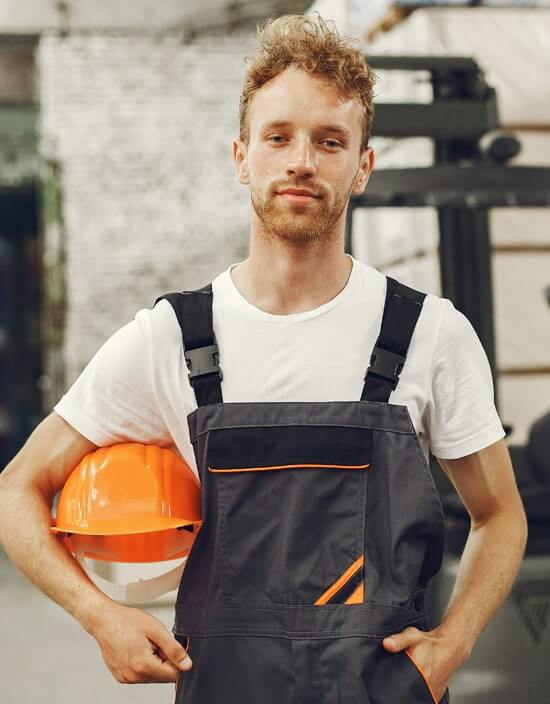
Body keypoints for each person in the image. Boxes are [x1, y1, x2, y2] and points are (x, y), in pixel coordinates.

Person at [0, 12, 527, 703]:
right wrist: (99, 615)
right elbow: (16, 490)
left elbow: (500, 515)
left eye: (330, 141)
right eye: (278, 136)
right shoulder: (172, 339)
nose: (301, 160)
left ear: (363, 167)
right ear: (242, 157)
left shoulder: (428, 333)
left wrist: (451, 645)